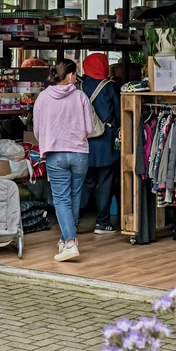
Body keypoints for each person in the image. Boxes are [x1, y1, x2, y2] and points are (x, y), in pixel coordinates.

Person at [33, 58, 95, 262]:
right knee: (74, 198)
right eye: (75, 74)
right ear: (69, 76)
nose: (76, 78)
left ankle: (70, 242)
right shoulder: (81, 97)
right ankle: (65, 240)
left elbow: (37, 130)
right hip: (79, 153)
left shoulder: (42, 98)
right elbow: (89, 129)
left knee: (61, 199)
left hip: (55, 153)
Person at [80, 53, 121, 234]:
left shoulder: (79, 86)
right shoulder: (110, 87)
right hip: (106, 142)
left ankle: (73, 219)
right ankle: (102, 222)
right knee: (105, 182)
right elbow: (120, 114)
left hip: (84, 142)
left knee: (86, 183)